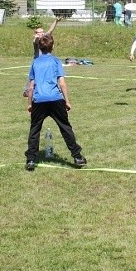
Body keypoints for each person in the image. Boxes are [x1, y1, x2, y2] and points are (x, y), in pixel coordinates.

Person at [24, 33, 87, 171]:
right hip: (55, 99)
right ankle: (77, 157)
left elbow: (31, 86)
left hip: (39, 100)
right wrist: (67, 101)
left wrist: (29, 103)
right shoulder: (56, 61)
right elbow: (62, 83)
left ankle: (31, 160)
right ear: (52, 46)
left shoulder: (35, 62)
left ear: (40, 48)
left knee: (34, 130)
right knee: (65, 128)